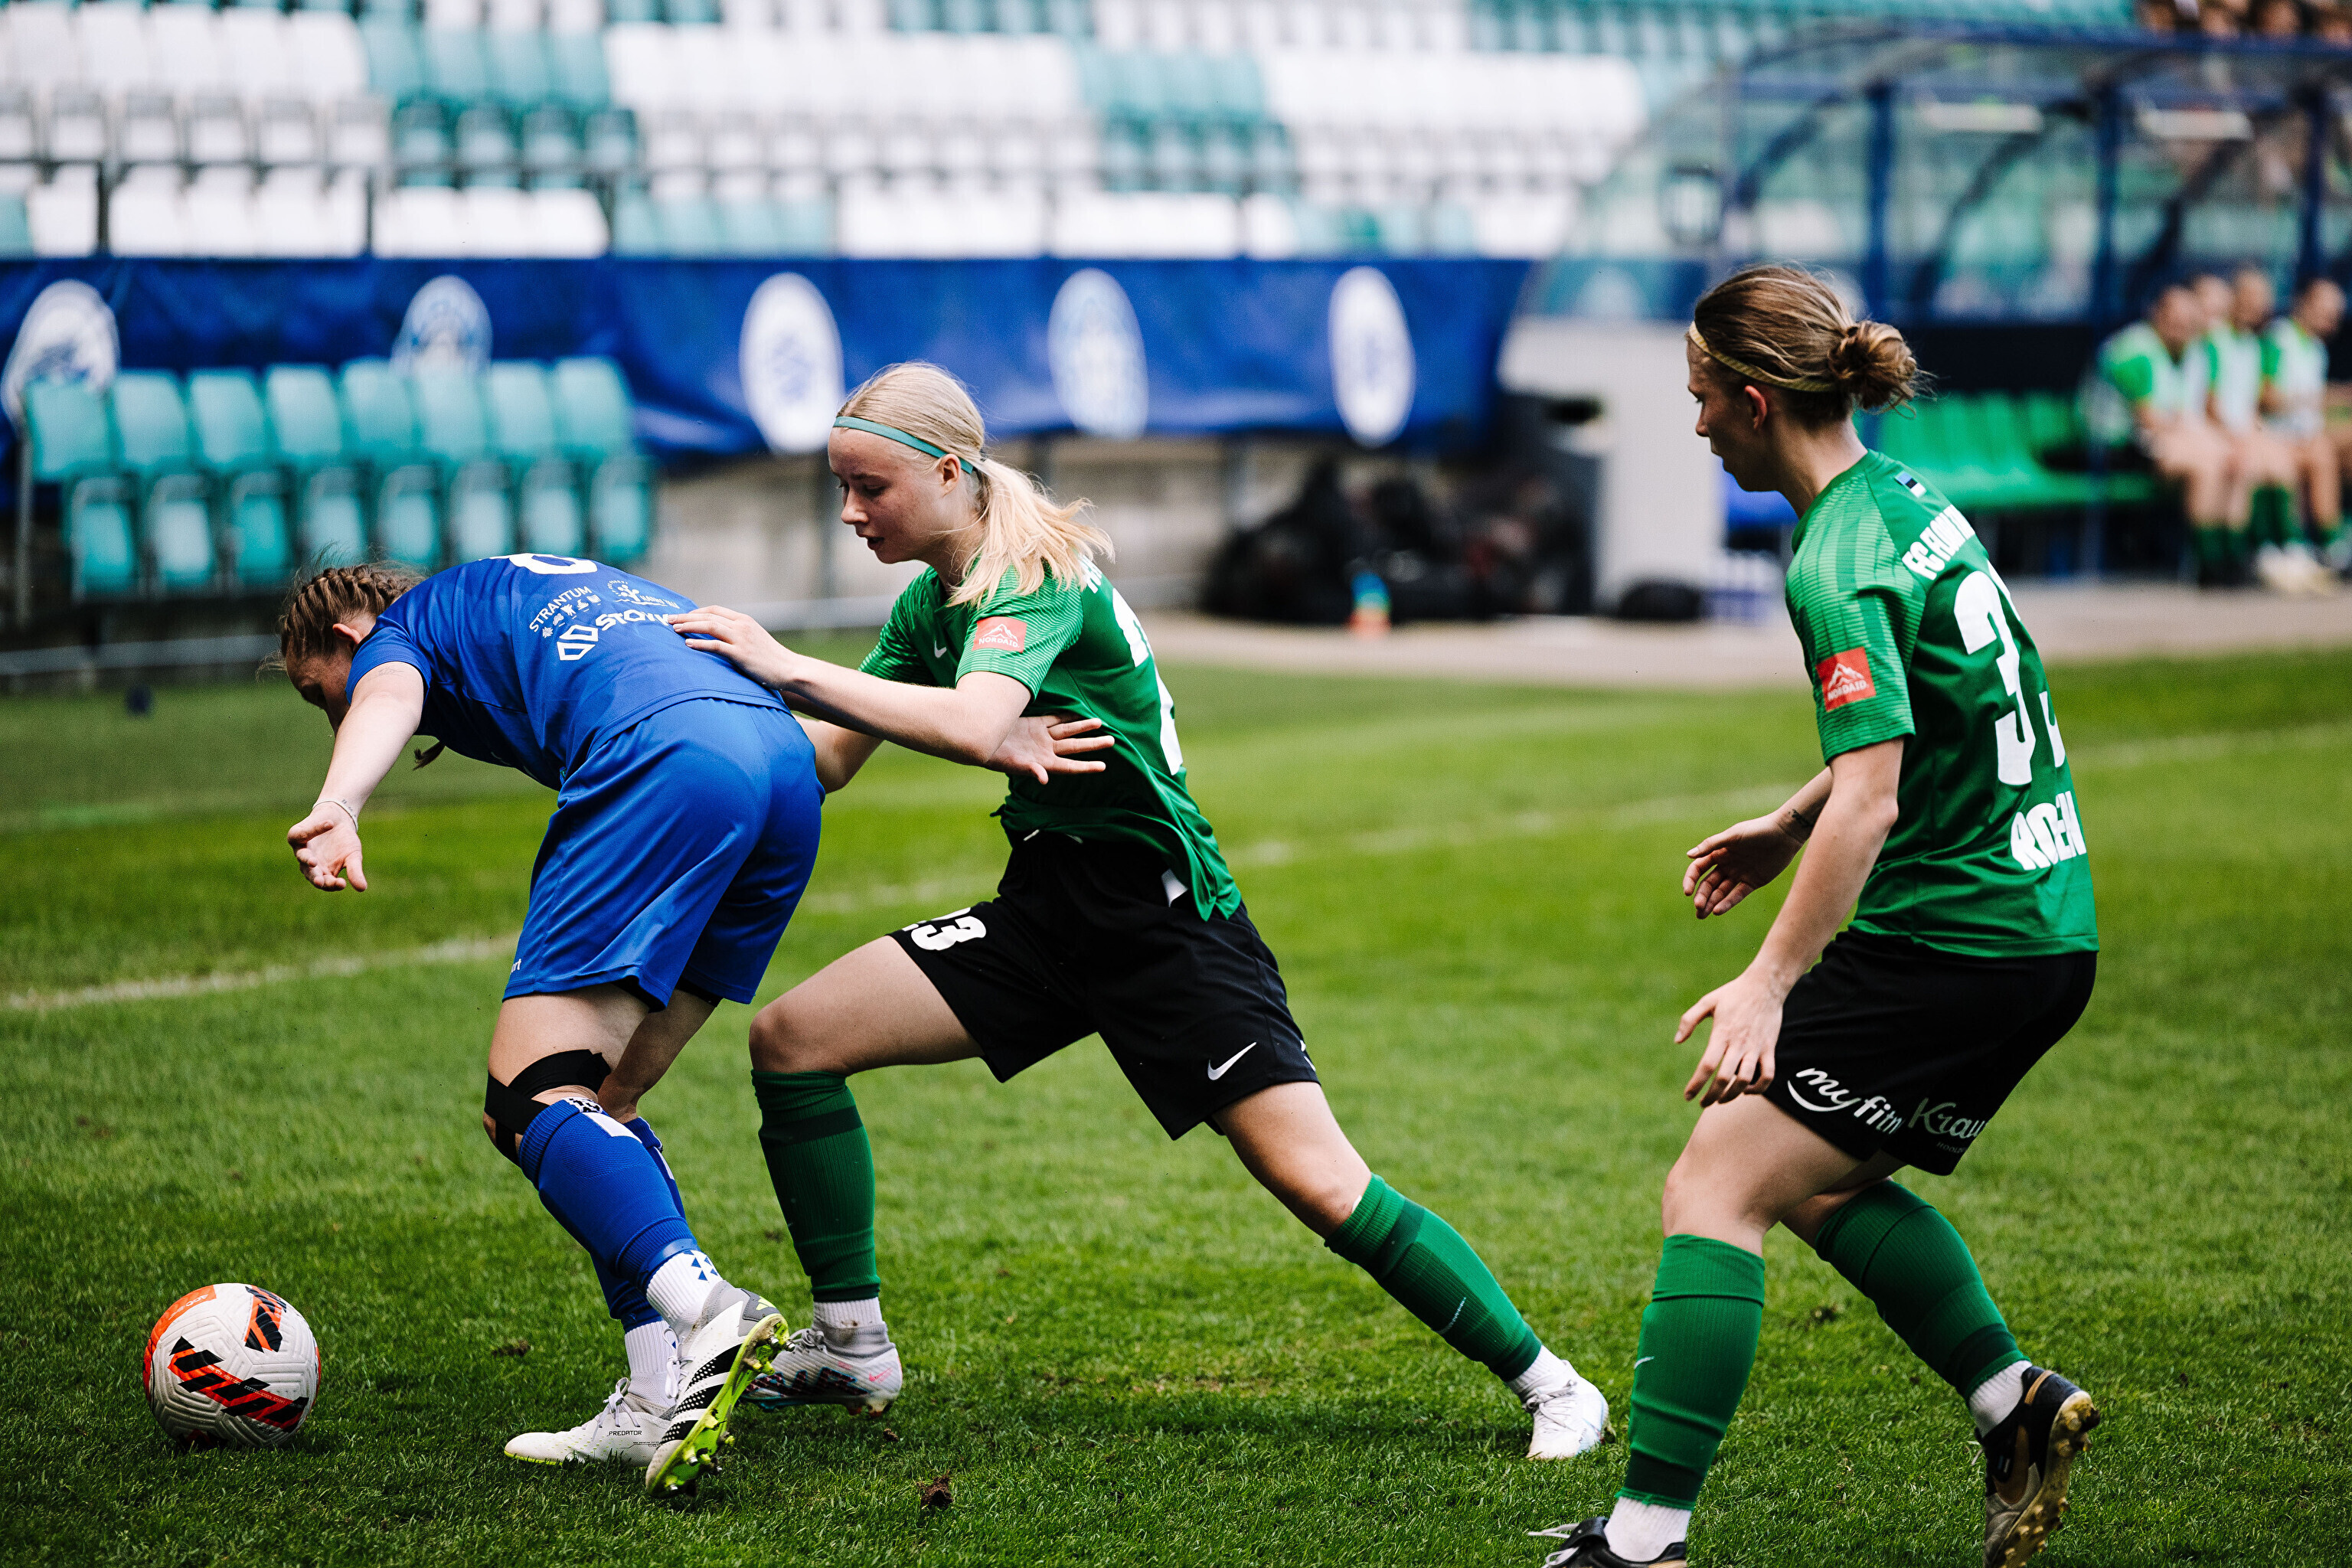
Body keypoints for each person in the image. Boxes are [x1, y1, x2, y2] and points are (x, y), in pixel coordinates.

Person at [665, 361, 1611, 1461]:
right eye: (841, 486)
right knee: (793, 1039)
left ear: (950, 472)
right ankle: (851, 1344)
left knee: (1319, 1181)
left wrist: (785, 662)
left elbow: (972, 724)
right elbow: (828, 758)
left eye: (869, 486)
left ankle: (1554, 1384)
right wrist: (679, 714)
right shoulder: (931, 604)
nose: (850, 511)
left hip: (1165, 924)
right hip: (1048, 910)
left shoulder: (1032, 575)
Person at [274, 554, 1095, 1495]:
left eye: (316, 691)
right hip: (782, 774)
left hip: (665, 759)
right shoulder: (542, 588)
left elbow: (385, 690)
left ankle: (707, 1308)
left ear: (345, 635)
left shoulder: (406, 627)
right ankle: (656, 1394)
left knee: (530, 1097)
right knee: (604, 1098)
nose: (332, 713)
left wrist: (338, 803)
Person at [1529, 267, 2101, 1568]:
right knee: (1821, 1181)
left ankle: (1645, 1540)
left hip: (1957, 935)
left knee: (1715, 1182)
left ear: (1752, 400)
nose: (1694, 426)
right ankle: (2012, 1404)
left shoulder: (1833, 557)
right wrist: (1792, 819)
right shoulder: (1905, 502)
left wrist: (1769, 979)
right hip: (2041, 929)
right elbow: (1925, 718)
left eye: (1699, 399)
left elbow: (1876, 798)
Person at [2096, 279, 2245, 585]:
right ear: (2156, 314)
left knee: (2233, 459)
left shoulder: (2183, 351)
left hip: (2152, 442)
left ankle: (2230, 554)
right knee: (2206, 465)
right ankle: (2207, 562)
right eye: (2174, 320)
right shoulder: (2134, 349)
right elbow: (2149, 420)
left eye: (2187, 323)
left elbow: (2178, 415)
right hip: (2109, 447)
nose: (2181, 329)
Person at [2206, 266, 2327, 593]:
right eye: (2250, 296)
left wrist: (2254, 430)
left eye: (2262, 298)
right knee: (2256, 462)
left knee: (2280, 462)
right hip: (2219, 431)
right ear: (2234, 297)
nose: (2257, 305)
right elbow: (2210, 402)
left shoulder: (2250, 344)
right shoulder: (2215, 339)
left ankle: (2287, 548)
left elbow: (2250, 404)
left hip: (2243, 430)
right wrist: (2238, 435)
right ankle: (2244, 554)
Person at [2262, 275, 2352, 574]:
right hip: (2277, 434)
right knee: (2320, 454)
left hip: (2306, 432)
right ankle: (2328, 545)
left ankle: (2335, 540)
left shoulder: (2316, 348)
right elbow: (2268, 399)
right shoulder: (2278, 339)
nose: (2332, 318)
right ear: (2303, 303)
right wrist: (2328, 397)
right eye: (2326, 309)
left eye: (2336, 313)